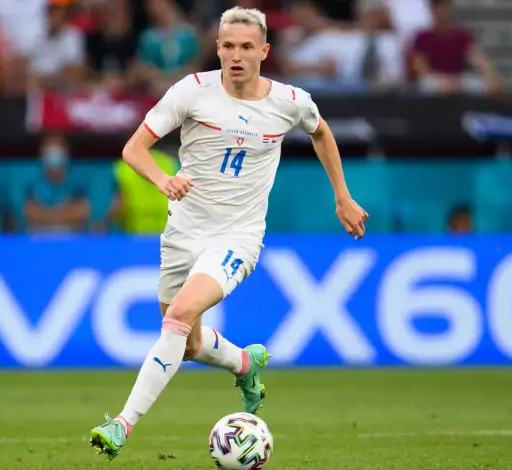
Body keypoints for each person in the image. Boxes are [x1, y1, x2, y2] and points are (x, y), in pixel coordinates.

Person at [89, 6, 369, 460]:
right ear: (217, 48)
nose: (237, 56)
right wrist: (162, 180)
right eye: (229, 46)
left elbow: (321, 133)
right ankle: (244, 362)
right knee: (189, 343)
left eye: (246, 47)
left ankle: (122, 424)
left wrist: (343, 196)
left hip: (237, 237)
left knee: (179, 315)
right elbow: (134, 148)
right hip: (182, 232)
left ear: (264, 51)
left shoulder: (289, 101)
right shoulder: (191, 91)